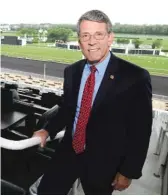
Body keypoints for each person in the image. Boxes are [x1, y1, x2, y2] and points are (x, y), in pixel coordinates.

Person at [33, 10, 152, 195]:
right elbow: (68, 108)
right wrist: (47, 130)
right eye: (85, 35)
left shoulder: (135, 77)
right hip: (69, 151)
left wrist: (128, 171)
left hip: (104, 161)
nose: (91, 41)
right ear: (79, 40)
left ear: (110, 38)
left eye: (99, 34)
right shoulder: (72, 71)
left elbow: (141, 130)